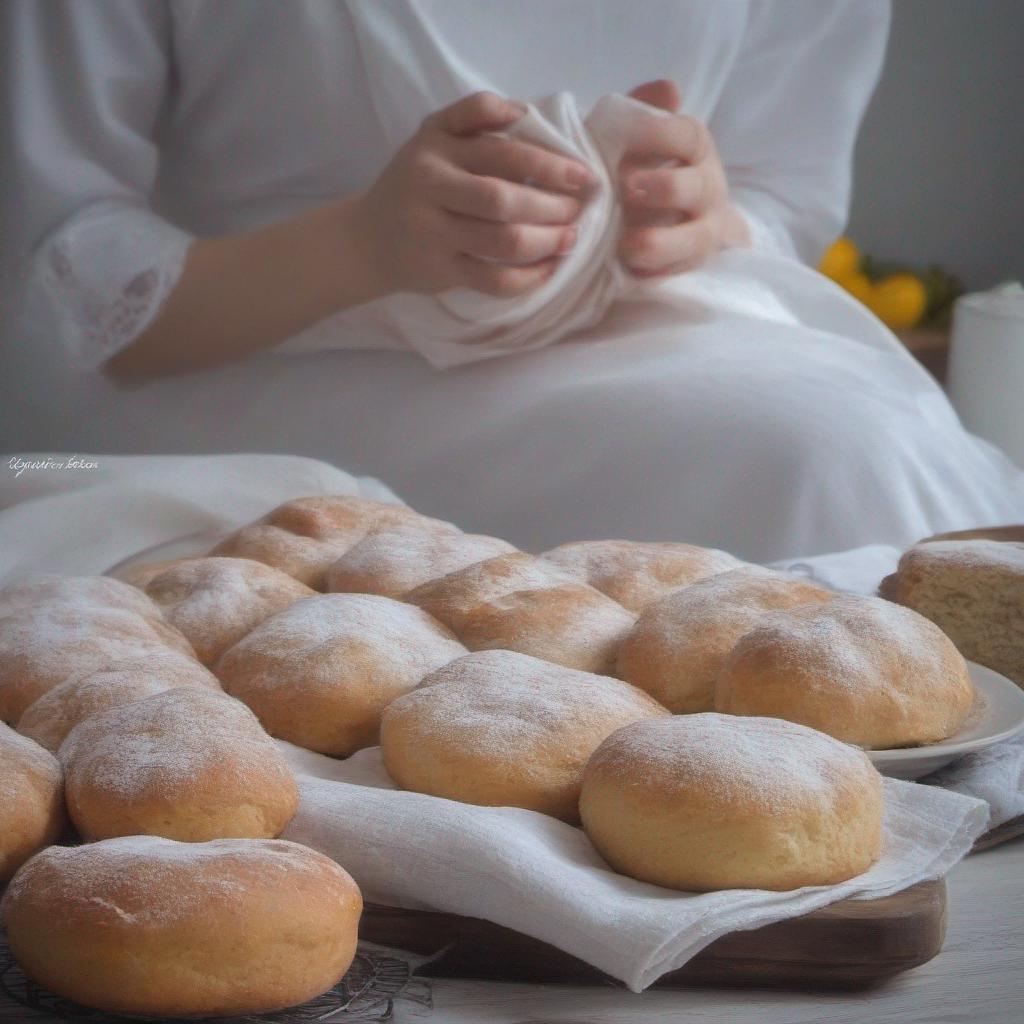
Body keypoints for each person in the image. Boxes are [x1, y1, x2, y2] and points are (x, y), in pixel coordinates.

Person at [2, 0, 1022, 559]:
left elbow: (783, 192)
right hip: (246, 369)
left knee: (855, 450)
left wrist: (702, 215)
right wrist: (362, 246)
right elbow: (58, 295)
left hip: (674, 332)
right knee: (813, 457)